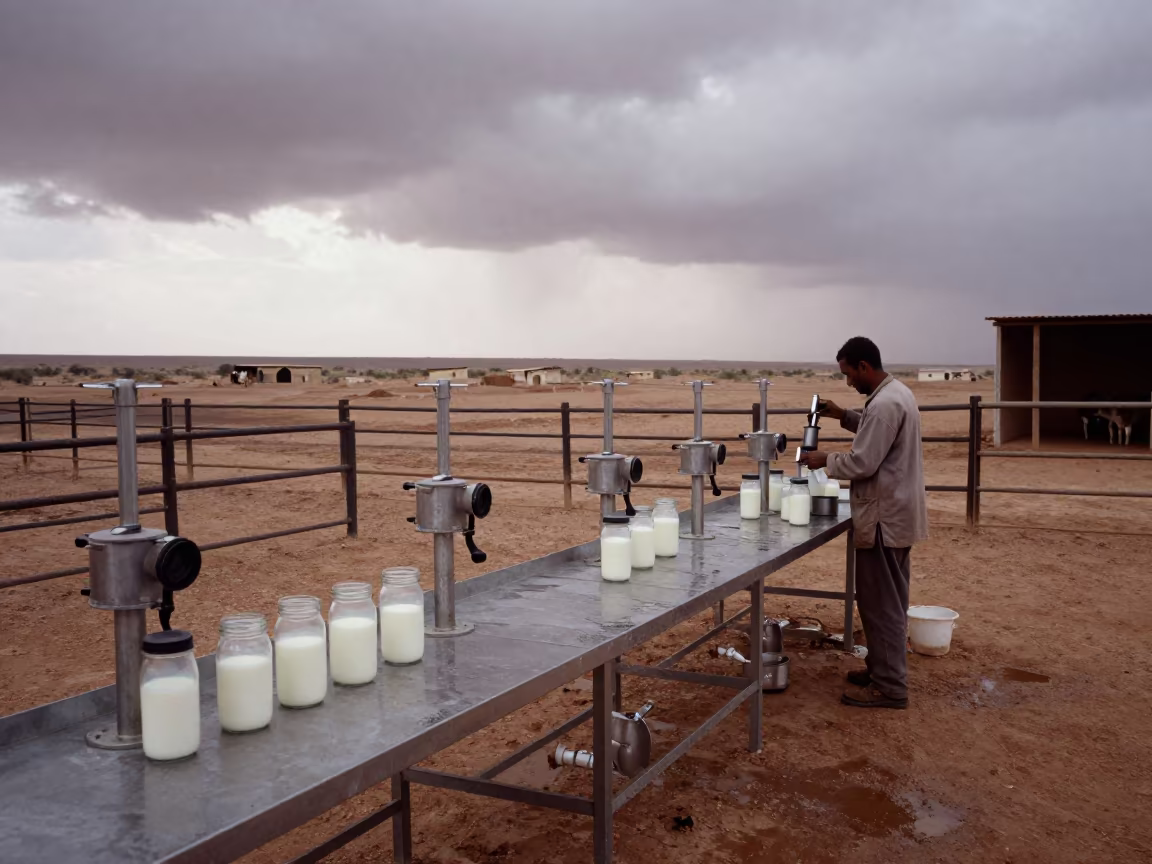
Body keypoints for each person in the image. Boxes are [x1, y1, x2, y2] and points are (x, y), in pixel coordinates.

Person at [802, 336, 928, 709]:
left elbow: (863, 462)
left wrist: (824, 459)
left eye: (848, 374)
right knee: (887, 600)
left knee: (881, 604)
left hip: (884, 519)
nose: (848, 383)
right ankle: (880, 667)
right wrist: (842, 414)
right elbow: (876, 434)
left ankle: (890, 688)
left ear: (863, 367)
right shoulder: (894, 394)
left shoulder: (887, 404)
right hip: (895, 513)